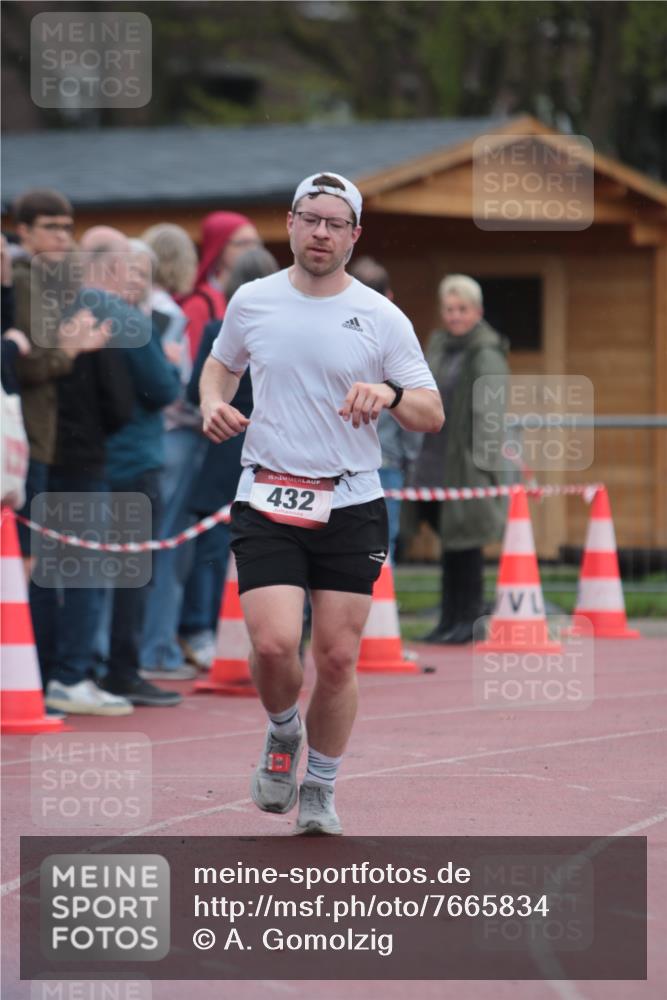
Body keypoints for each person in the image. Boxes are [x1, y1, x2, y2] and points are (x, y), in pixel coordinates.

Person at [199, 172, 443, 835]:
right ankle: (283, 732)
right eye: (311, 219)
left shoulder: (381, 314)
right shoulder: (252, 300)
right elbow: (222, 364)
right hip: (269, 490)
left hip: (351, 500)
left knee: (336, 657)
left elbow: (431, 409)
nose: (320, 232)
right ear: (290, 222)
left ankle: (321, 788)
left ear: (353, 234)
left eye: (336, 223)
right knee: (276, 646)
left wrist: (388, 395)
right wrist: (212, 401)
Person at [97, 236, 183, 707]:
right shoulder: (134, 323)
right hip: (133, 459)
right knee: (132, 571)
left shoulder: (75, 314)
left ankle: (83, 666)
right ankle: (122, 671)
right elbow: (163, 388)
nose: (138, 283)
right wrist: (170, 369)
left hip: (95, 459)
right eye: (130, 272)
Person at [181, 246, 280, 658]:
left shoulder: (220, 330)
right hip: (276, 447)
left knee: (213, 545)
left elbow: (194, 393)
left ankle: (202, 631)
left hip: (228, 444)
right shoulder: (286, 331)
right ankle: (274, 633)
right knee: (276, 541)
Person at [412, 274, 509, 645]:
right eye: (449, 310)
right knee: (449, 542)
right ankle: (448, 619)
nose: (455, 317)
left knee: (466, 543)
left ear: (477, 311)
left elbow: (490, 412)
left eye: (462, 310)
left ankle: (468, 620)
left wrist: (485, 467)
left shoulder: (486, 352)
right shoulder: (438, 346)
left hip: (469, 463)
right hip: (435, 460)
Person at [349, 256, 423, 562]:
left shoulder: (331, 335)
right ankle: (379, 609)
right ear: (389, 296)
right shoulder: (397, 338)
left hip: (335, 458)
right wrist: (410, 457)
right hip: (385, 459)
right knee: (380, 545)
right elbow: (414, 401)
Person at [180, 211, 261, 361]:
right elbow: (195, 362)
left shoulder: (264, 294)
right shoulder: (199, 304)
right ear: (219, 248)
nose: (253, 251)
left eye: (255, 243)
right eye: (243, 244)